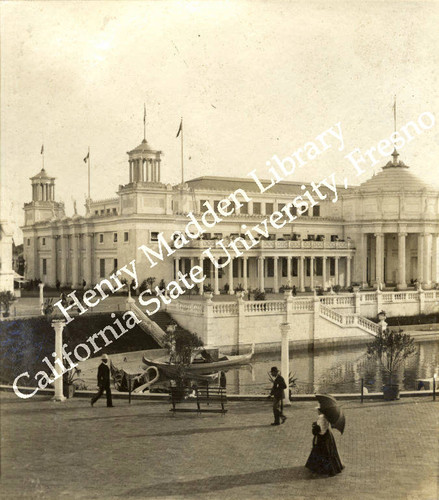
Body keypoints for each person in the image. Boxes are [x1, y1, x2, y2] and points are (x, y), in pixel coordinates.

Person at [305, 407, 343, 476]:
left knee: (320, 452)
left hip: (322, 438)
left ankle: (322, 469)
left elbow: (320, 430)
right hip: (327, 436)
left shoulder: (321, 417)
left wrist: (315, 427)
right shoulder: (326, 416)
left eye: (318, 410)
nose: (317, 411)